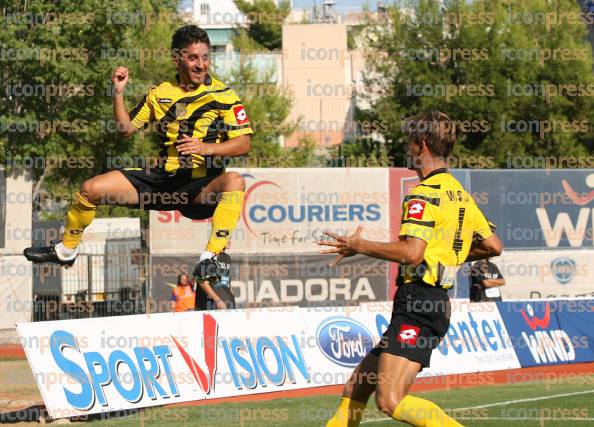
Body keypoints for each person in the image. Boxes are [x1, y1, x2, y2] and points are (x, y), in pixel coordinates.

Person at [317, 111, 503, 427]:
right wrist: (446, 256)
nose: (407, 148)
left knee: (388, 400)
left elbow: (412, 253)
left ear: (422, 144)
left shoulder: (424, 193)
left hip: (417, 302)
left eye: (409, 141)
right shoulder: (458, 193)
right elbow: (492, 246)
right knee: (358, 386)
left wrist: (360, 246)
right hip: (432, 304)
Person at [23, 25, 252, 276]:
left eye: (205, 57)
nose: (201, 65)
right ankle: (67, 250)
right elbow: (126, 128)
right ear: (177, 59)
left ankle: (212, 256)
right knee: (90, 190)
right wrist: (118, 93)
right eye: (193, 58)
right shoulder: (159, 93)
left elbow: (243, 143)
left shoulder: (224, 95)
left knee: (235, 180)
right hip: (163, 182)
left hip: (200, 189)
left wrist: (206, 148)